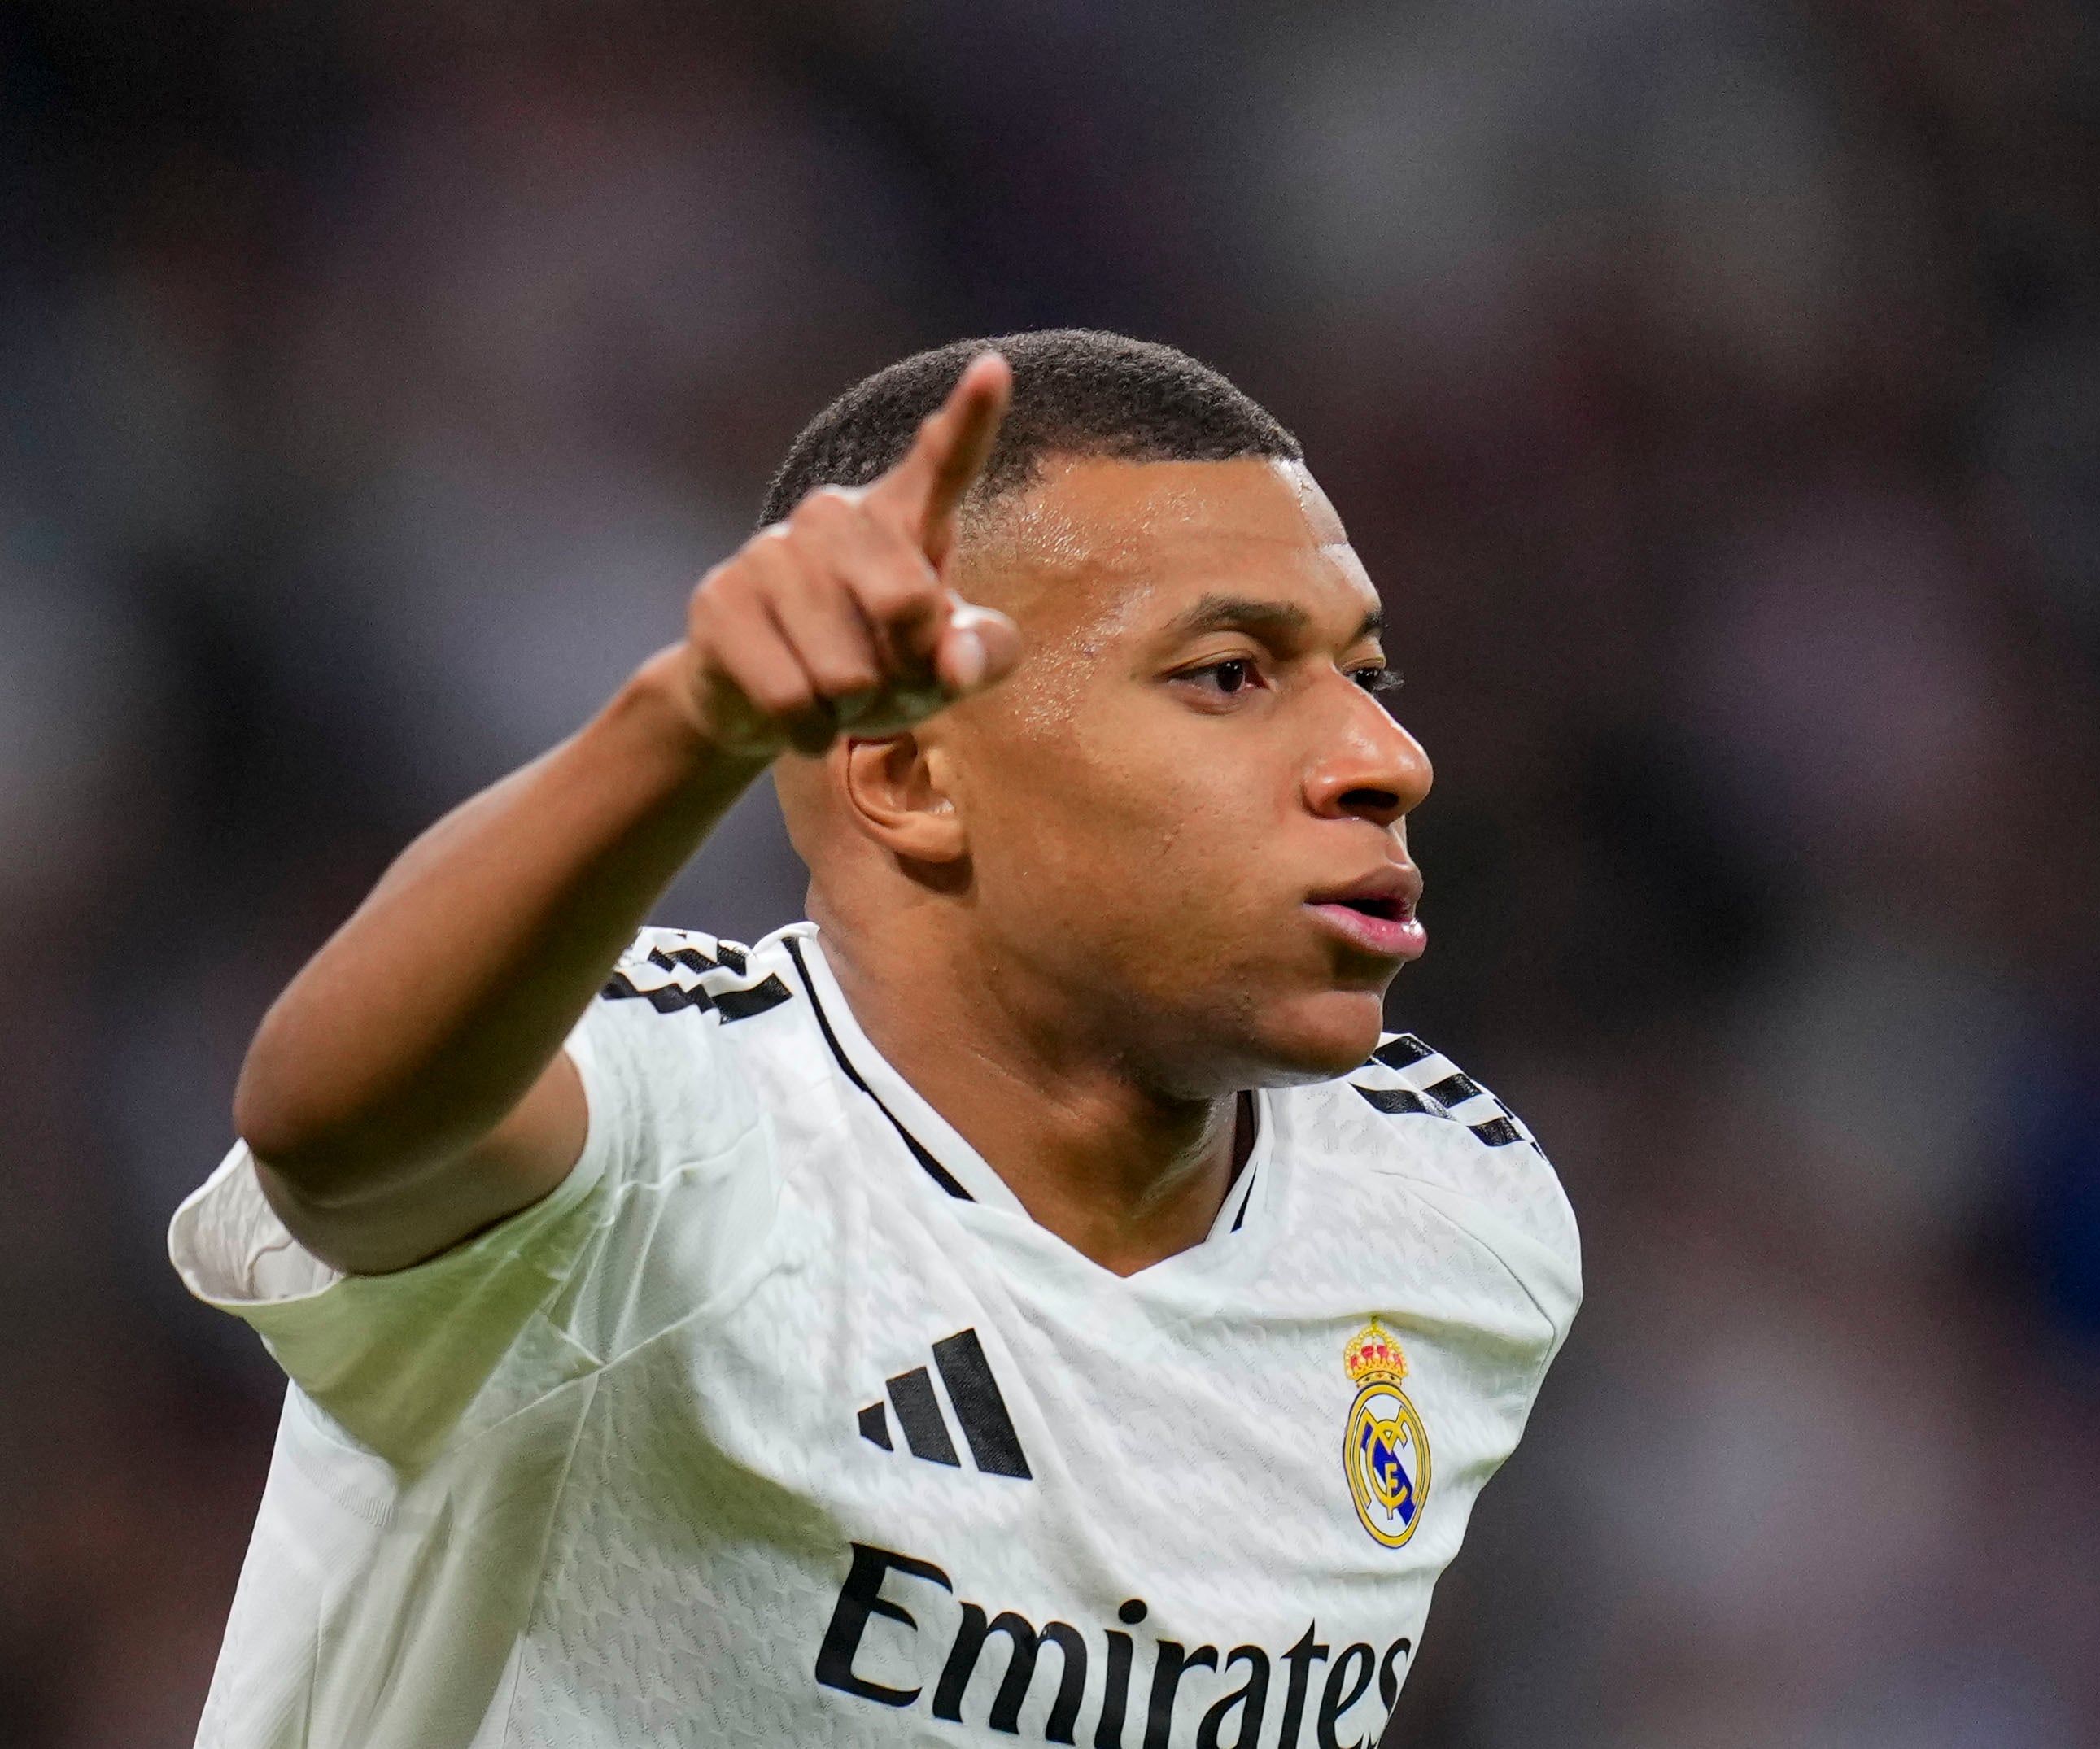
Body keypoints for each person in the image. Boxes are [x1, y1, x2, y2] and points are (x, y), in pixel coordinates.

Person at [168, 330, 1578, 1748]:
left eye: (1366, 675)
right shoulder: (674, 1136)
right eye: (1227, 673)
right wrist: (691, 718)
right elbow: (331, 1132)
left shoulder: (1457, 1220)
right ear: (908, 776)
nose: (1387, 759)